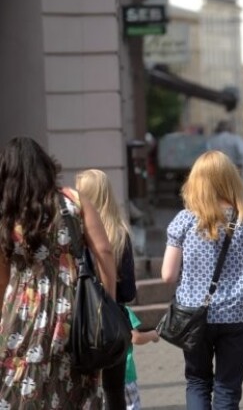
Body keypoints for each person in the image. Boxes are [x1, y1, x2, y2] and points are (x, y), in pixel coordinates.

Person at [0, 136, 117, 407]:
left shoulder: (7, 213)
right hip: (72, 310)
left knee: (19, 383)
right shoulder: (73, 201)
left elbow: (2, 274)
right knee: (74, 381)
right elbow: (105, 252)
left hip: (21, 312)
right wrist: (107, 302)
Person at [161, 150, 243, 409]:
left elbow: (168, 275)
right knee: (227, 387)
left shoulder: (184, 221)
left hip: (194, 314)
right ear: (231, 180)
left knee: (197, 382)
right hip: (236, 313)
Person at [75, 168, 137, 410]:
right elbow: (129, 291)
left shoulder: (73, 235)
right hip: (111, 323)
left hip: (79, 322)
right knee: (114, 391)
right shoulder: (120, 234)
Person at [124, 306, 159, 410]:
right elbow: (136, 337)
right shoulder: (123, 309)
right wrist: (152, 335)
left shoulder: (92, 308)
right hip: (125, 373)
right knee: (131, 406)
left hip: (100, 375)